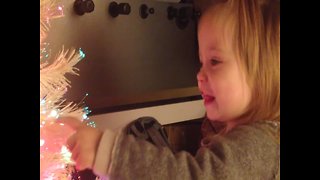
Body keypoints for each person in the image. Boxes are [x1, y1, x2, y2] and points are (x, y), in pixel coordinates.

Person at [58, 0, 280, 179]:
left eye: (215, 61)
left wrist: (103, 150)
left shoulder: (258, 144)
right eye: (201, 61)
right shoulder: (242, 134)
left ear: (263, 73)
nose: (200, 75)